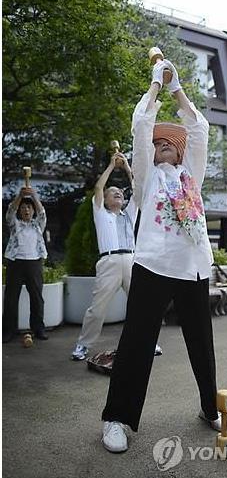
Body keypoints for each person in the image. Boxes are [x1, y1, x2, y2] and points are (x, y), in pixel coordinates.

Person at [101, 58, 227, 453]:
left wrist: (178, 88)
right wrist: (157, 84)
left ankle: (211, 408)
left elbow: (199, 127)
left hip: (192, 267)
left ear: (180, 153)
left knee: (201, 341)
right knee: (137, 341)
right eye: (157, 145)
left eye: (166, 146)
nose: (160, 149)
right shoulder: (145, 177)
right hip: (152, 265)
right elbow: (141, 127)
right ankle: (117, 419)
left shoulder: (192, 173)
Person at [71, 153, 162, 360]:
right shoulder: (100, 213)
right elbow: (97, 188)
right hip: (109, 262)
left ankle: (149, 342)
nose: (118, 193)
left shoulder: (129, 214)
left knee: (141, 305)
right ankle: (83, 345)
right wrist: (112, 165)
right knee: (97, 309)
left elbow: (137, 188)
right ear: (105, 199)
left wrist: (128, 167)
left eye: (120, 192)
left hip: (131, 261)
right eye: (113, 192)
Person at [3, 187, 48, 343]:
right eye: (23, 208)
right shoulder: (15, 224)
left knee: (37, 298)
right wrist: (20, 196)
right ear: (20, 211)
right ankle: (8, 331)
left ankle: (38, 329)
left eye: (28, 207)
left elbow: (42, 213)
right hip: (15, 263)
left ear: (32, 210)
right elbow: (9, 213)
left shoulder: (38, 225)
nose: (26, 210)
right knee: (10, 298)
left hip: (34, 263)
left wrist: (34, 196)